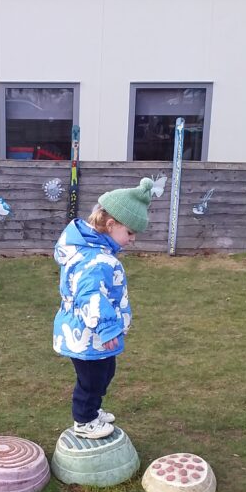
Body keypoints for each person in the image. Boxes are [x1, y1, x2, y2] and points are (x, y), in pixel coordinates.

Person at [52, 177, 153, 438]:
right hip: (89, 333)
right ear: (111, 225)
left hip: (92, 332)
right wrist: (107, 330)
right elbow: (92, 296)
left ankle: (93, 410)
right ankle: (84, 421)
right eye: (130, 233)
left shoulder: (95, 251)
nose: (132, 240)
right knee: (91, 379)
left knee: (105, 372)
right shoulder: (96, 260)